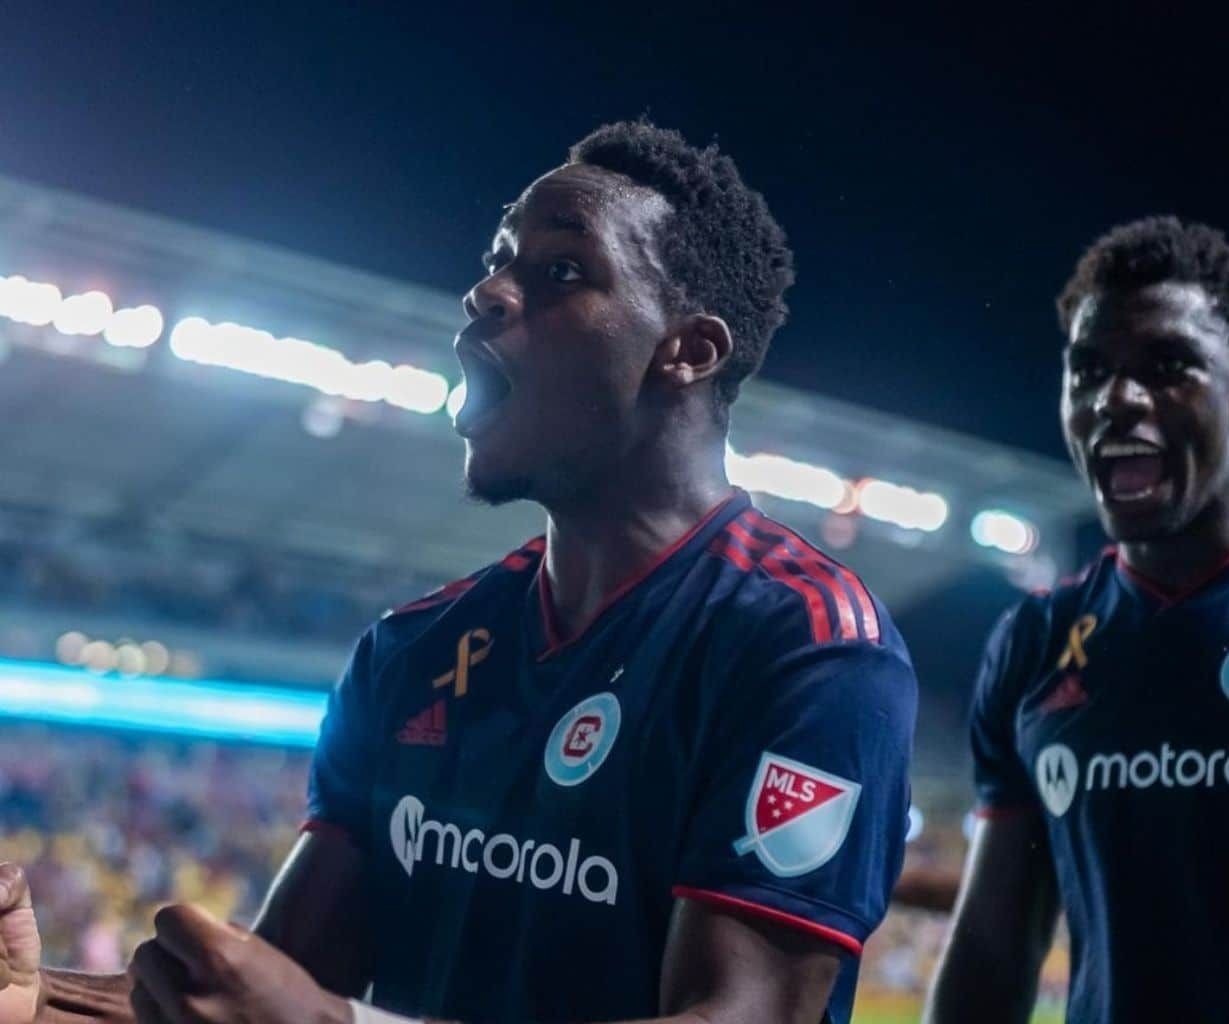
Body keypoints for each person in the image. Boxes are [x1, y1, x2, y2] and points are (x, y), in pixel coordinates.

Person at [0, 121, 917, 1024]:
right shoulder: (411, 651)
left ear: (689, 350)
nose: (486, 292)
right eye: (497, 261)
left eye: (562, 271)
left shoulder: (807, 646)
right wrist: (34, 1001)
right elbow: (252, 1000)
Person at [922, 216, 1229, 1023]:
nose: (1115, 399)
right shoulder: (1038, 640)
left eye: (1168, 365)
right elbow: (992, 950)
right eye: (1088, 371)